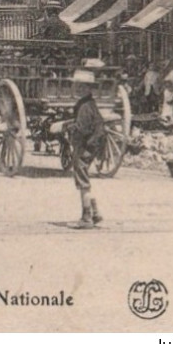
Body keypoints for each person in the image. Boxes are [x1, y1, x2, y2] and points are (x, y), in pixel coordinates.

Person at [67, 68, 106, 228]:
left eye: (81, 86)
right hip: (95, 142)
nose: (78, 89)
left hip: (86, 144)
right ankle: (95, 213)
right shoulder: (90, 104)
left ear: (87, 88)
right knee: (85, 178)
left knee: (82, 180)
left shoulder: (84, 107)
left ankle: (86, 216)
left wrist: (68, 128)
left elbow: (82, 128)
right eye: (77, 86)